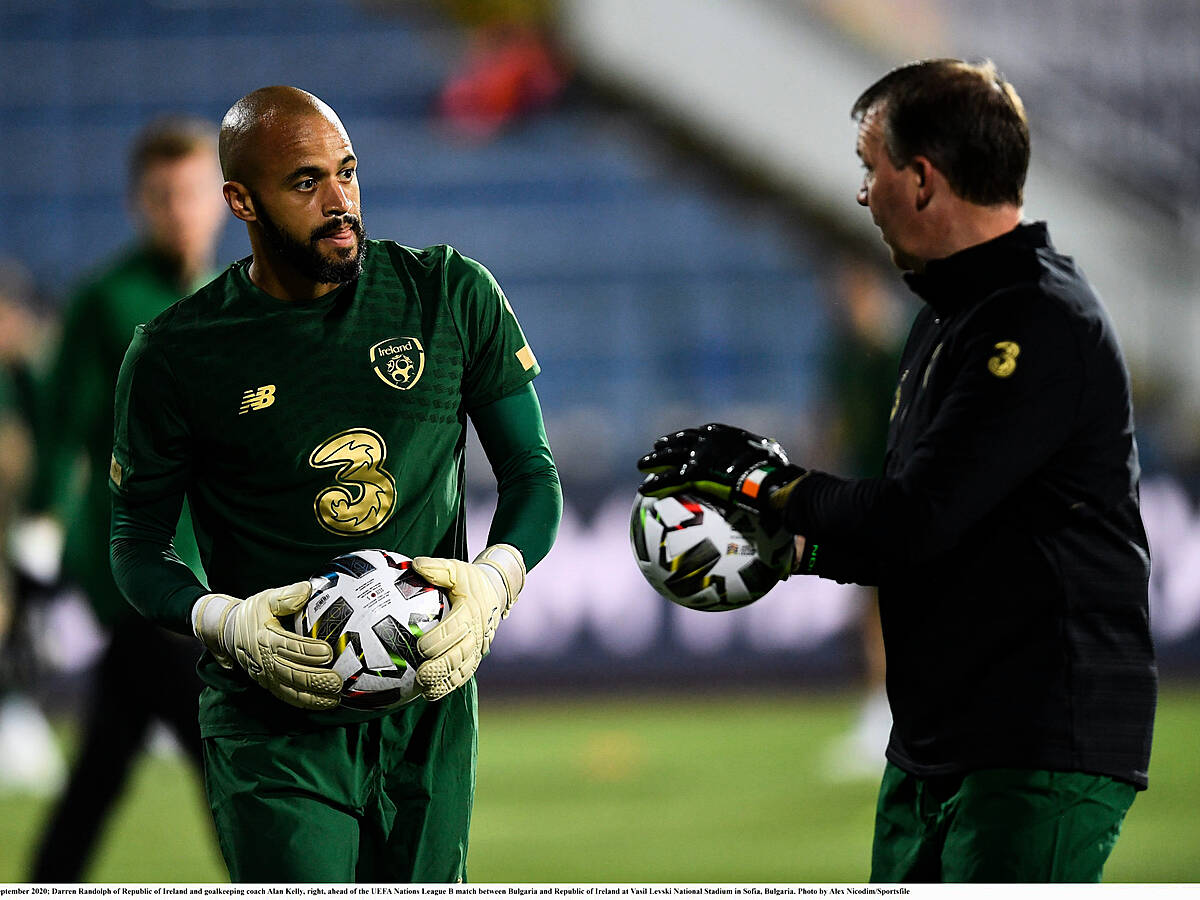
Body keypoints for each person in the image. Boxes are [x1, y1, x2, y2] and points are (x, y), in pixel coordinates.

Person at [638, 58, 1156, 883]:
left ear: (920, 181)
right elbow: (906, 538)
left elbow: (921, 516)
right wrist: (789, 549)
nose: (860, 194)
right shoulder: (947, 319)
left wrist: (757, 482)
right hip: (939, 743)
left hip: (1036, 745)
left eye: (868, 170)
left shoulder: (1037, 318)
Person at [108, 86, 561, 883]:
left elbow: (532, 475)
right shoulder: (177, 355)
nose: (340, 201)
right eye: (306, 182)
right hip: (270, 715)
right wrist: (223, 618)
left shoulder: (449, 295)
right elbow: (136, 544)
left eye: (347, 172)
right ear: (240, 200)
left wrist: (496, 579)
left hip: (428, 706)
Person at [23, 118, 226, 881]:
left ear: (223, 198)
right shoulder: (107, 301)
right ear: (140, 203)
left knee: (105, 760)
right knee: (226, 748)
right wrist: (36, 547)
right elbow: (63, 431)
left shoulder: (237, 298)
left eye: (194, 192)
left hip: (214, 568)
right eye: (163, 195)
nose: (180, 209)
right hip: (142, 571)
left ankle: (45, 884)